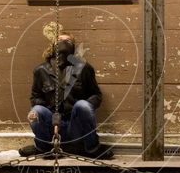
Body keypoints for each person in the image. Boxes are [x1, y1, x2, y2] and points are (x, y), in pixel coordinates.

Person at [18, 31, 113, 159]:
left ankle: (91, 147)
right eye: (60, 41)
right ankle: (42, 147)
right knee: (36, 111)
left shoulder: (84, 68)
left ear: (73, 47)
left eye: (67, 41)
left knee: (83, 105)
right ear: (53, 46)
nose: (63, 44)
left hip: (75, 126)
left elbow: (96, 95)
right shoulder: (41, 70)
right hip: (52, 126)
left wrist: (83, 109)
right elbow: (35, 98)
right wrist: (52, 115)